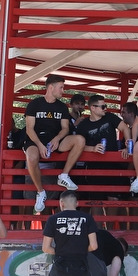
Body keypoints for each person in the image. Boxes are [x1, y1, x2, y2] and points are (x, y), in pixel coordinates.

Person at [23, 75, 86, 213]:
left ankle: (64, 175)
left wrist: (57, 138)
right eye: (61, 87)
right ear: (51, 87)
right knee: (32, 157)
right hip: (35, 140)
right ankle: (41, 192)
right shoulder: (35, 103)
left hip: (55, 141)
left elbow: (65, 128)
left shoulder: (62, 107)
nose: (63, 90)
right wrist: (40, 145)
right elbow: (29, 129)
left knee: (80, 140)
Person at [75, 94, 131, 219]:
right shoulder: (84, 125)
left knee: (113, 200)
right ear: (93, 108)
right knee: (96, 202)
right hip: (94, 168)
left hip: (113, 166)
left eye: (106, 106)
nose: (105, 108)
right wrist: (92, 149)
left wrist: (128, 145)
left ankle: (109, 230)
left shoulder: (110, 117)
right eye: (103, 106)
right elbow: (78, 146)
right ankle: (98, 231)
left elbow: (125, 128)